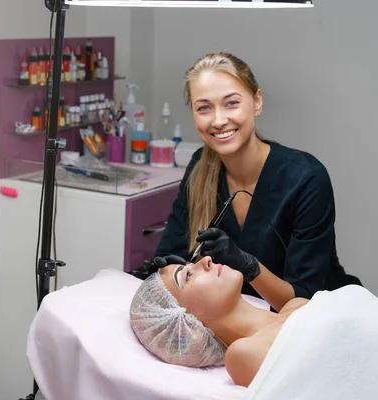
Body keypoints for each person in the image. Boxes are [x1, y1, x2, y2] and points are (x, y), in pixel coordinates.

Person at [143, 51, 360, 312]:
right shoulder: (200, 168)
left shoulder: (306, 179)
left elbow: (302, 302)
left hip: (322, 319)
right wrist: (159, 271)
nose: (219, 120)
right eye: (204, 108)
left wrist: (249, 266)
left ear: (257, 102)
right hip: (246, 319)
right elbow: (172, 254)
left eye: (231, 103)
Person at [130, 256, 378, 395]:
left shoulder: (294, 306)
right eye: (189, 275)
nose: (205, 260)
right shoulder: (241, 354)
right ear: (185, 322)